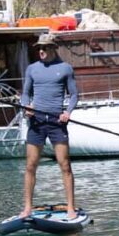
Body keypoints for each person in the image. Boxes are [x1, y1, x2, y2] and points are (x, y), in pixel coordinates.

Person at [20, 33, 79, 219]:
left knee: (65, 165)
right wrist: (26, 106)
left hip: (56, 123)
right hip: (36, 122)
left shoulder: (65, 69)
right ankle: (27, 208)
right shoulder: (32, 69)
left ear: (53, 48)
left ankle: (70, 207)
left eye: (45, 47)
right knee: (30, 165)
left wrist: (67, 112)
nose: (41, 51)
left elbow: (75, 95)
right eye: (39, 48)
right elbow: (25, 94)